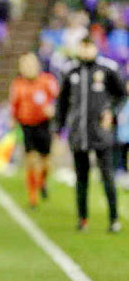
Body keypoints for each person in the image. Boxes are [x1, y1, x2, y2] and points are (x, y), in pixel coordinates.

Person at [56, 36, 126, 232]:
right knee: (81, 178)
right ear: (78, 48)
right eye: (82, 47)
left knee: (107, 176)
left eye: (89, 47)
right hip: (79, 132)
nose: (86, 51)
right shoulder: (70, 70)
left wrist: (111, 113)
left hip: (101, 132)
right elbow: (62, 102)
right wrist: (58, 127)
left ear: (95, 48)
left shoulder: (108, 69)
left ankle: (113, 219)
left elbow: (121, 96)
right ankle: (82, 219)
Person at [9, 52, 59, 208]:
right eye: (24, 65)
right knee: (30, 159)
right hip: (27, 125)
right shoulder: (17, 84)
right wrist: (13, 119)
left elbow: (59, 99)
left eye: (30, 64)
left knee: (46, 162)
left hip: (44, 124)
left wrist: (53, 110)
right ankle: (33, 197)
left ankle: (42, 181)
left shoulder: (47, 81)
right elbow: (14, 105)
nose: (28, 68)